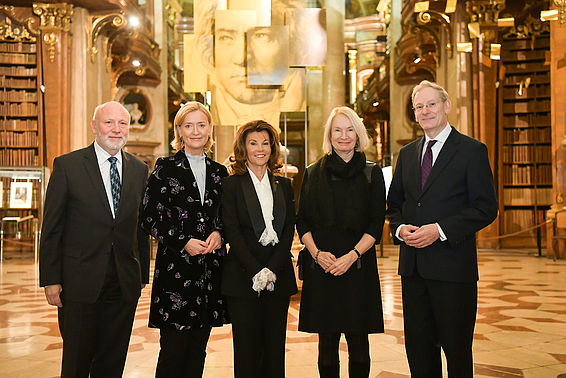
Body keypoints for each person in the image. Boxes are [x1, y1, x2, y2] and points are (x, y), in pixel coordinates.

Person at [386, 80, 498, 377]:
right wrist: (399, 230)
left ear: (446, 106)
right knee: (419, 351)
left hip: (453, 269)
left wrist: (440, 229)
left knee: (457, 350)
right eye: (419, 107)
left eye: (431, 104)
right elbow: (393, 205)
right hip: (414, 270)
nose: (425, 111)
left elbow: (486, 207)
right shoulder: (407, 155)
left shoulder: (472, 151)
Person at [39, 101, 150, 377]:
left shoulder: (139, 169)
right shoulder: (68, 166)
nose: (116, 129)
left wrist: (142, 274)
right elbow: (52, 227)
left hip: (123, 283)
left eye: (122, 123)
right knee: (77, 361)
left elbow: (140, 227)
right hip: (79, 283)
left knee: (112, 361)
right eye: (109, 122)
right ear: (94, 127)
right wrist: (51, 279)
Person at [138, 102, 229, 377]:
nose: (195, 131)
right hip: (175, 273)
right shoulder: (165, 168)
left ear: (210, 129)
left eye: (201, 125)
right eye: (188, 125)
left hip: (209, 274)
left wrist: (219, 234)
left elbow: (226, 218)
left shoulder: (219, 172)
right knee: (173, 352)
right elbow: (148, 219)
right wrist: (182, 241)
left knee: (198, 351)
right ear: (179, 130)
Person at [296, 106, 386, 378]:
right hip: (323, 268)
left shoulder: (373, 173)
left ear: (358, 135)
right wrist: (316, 254)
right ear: (329, 135)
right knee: (326, 350)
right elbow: (303, 221)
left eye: (350, 130)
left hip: (358, 268)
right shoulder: (312, 173)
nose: (343, 136)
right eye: (338, 130)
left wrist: (352, 256)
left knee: (359, 349)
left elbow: (375, 224)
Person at [221, 120, 297, 378]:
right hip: (243, 276)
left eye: (265, 143)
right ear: (243, 147)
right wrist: (256, 270)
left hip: (278, 276)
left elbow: (288, 231)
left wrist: (272, 269)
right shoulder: (231, 185)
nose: (260, 149)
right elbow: (231, 230)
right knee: (246, 350)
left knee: (275, 348)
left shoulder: (284, 186)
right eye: (253, 143)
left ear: (273, 147)